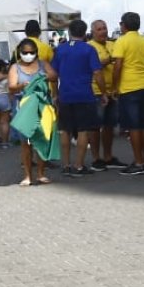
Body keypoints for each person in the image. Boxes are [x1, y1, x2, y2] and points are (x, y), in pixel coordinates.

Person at [51, 19, 103, 177]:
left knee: (65, 130)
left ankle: (65, 165)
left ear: (69, 32)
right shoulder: (89, 49)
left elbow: (53, 75)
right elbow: (97, 73)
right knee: (83, 130)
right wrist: (105, 92)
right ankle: (78, 165)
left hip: (65, 94)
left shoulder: (60, 49)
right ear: (85, 32)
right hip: (84, 95)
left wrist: (55, 94)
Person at [111, 12, 144, 175]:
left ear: (124, 25)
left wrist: (114, 86)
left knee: (133, 127)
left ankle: (138, 162)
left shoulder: (122, 41)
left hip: (129, 87)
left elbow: (118, 66)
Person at [8, 39, 56, 185]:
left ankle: (41, 173)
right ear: (19, 53)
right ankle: (27, 175)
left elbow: (54, 75)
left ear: (36, 52)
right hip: (24, 109)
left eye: (31, 52)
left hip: (42, 107)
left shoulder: (43, 64)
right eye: (25, 52)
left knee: (42, 140)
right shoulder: (15, 68)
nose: (28, 55)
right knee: (26, 144)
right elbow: (11, 87)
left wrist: (46, 76)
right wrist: (21, 85)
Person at [88, 20, 124, 169]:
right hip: (96, 92)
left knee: (109, 126)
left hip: (112, 92)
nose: (103, 32)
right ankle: (96, 159)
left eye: (105, 28)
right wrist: (108, 60)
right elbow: (92, 66)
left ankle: (108, 157)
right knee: (95, 126)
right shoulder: (89, 47)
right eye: (99, 29)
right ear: (93, 32)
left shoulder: (112, 45)